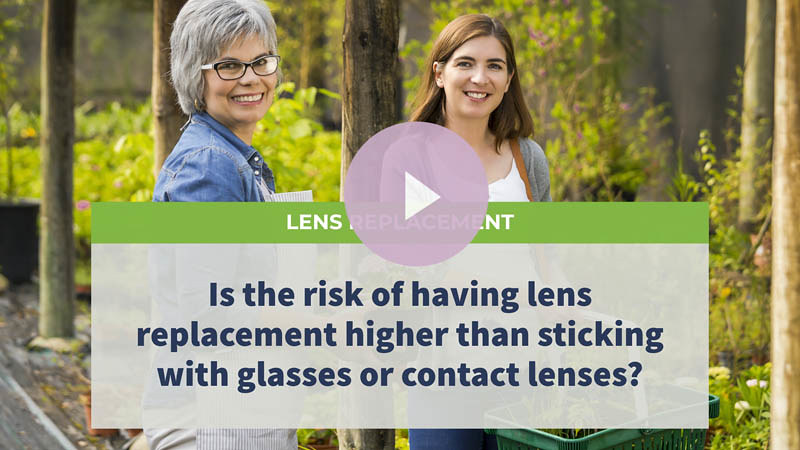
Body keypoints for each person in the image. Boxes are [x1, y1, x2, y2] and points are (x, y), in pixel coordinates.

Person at [147, 0, 296, 448]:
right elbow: (210, 315)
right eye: (229, 65)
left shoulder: (233, 158)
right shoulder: (210, 166)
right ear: (197, 76)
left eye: (261, 61)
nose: (251, 78)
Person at [408, 13, 551, 450]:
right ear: (440, 72)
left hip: (524, 370)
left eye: (495, 66)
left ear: (509, 80)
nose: (480, 77)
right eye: (465, 63)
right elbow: (397, 273)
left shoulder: (528, 158)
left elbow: (543, 256)